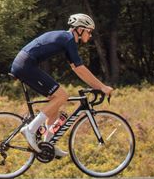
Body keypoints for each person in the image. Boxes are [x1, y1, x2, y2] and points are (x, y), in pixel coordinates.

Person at [11, 14, 114, 152]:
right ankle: (30, 129)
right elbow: (80, 69)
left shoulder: (66, 39)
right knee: (62, 96)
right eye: (89, 31)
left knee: (55, 100)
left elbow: (76, 69)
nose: (90, 35)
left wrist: (98, 86)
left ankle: (48, 144)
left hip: (25, 63)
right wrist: (101, 86)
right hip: (26, 65)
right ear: (80, 29)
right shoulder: (69, 39)